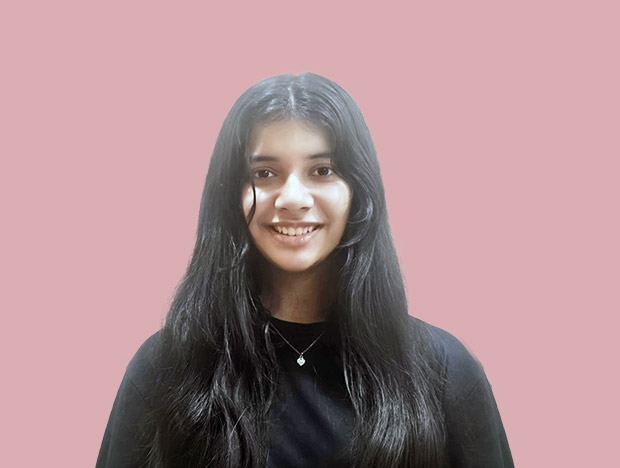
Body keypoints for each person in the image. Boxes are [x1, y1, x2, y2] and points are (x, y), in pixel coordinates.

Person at [96, 73, 514, 468]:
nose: (293, 198)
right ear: (229, 196)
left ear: (359, 192)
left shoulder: (444, 371)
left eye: (322, 170)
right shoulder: (165, 369)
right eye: (264, 173)